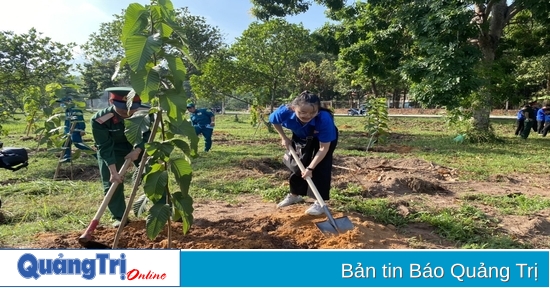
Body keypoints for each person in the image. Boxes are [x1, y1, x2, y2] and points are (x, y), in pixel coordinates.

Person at [90, 88, 164, 228]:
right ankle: (119, 217)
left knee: (154, 176)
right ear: (111, 102)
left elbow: (149, 135)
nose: (128, 112)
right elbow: (104, 146)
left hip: (141, 146)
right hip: (113, 150)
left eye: (132, 108)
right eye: (123, 108)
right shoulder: (100, 119)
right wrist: (113, 171)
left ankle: (162, 210)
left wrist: (137, 150)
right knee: (113, 183)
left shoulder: (147, 113)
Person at [269, 91, 338, 216]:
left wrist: (311, 168)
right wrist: (284, 137)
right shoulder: (284, 112)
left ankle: (319, 202)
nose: (308, 116)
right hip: (301, 136)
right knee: (297, 164)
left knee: (320, 167)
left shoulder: (324, 119)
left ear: (318, 110)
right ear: (293, 108)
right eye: (302, 112)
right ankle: (295, 195)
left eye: (312, 112)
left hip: (322, 140)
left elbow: (323, 149)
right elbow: (274, 121)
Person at [56, 97, 95, 163]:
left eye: (63, 103)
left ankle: (95, 154)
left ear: (69, 102)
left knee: (78, 144)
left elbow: (81, 120)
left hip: (75, 130)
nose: (62, 105)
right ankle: (67, 156)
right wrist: (65, 130)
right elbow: (66, 121)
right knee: (65, 143)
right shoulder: (67, 110)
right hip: (68, 130)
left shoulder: (76, 110)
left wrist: (82, 129)